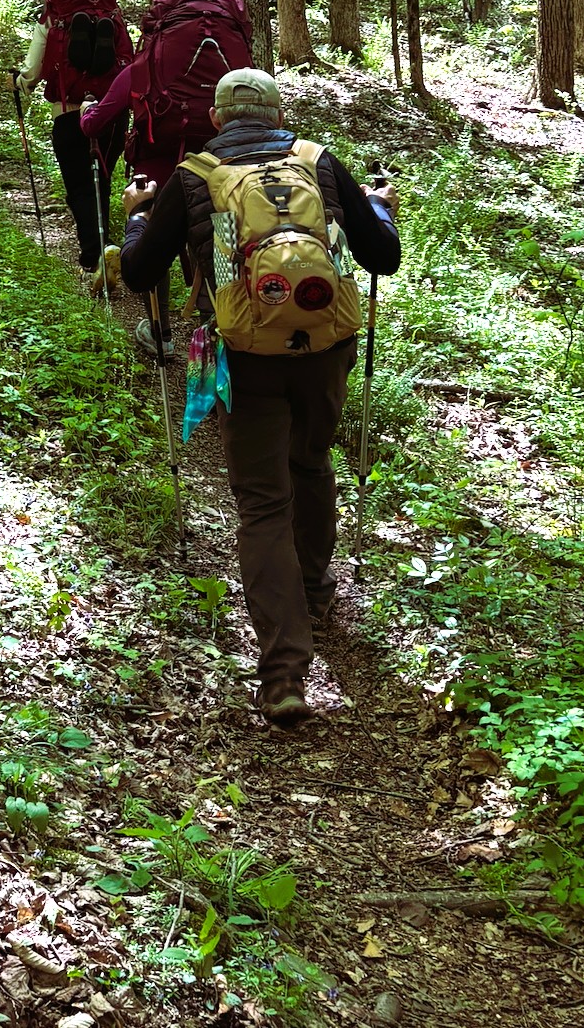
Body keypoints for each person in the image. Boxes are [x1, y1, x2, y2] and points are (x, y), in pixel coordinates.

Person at [120, 68, 400, 726]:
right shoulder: (318, 162)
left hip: (244, 357)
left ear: (217, 119)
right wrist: (379, 205)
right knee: (311, 460)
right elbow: (381, 257)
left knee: (263, 503)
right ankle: (314, 587)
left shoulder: (196, 176)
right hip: (325, 349)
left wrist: (137, 219)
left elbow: (139, 272)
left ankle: (281, 675)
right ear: (278, 114)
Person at [84, 0, 254, 353]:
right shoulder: (240, 79)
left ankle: (160, 333)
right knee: (218, 245)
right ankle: (220, 333)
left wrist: (85, 116)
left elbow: (97, 122)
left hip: (157, 174)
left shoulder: (145, 68)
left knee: (153, 241)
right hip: (220, 172)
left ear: (158, 28)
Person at [18, 0, 132, 282]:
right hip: (111, 112)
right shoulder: (115, 17)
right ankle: (104, 249)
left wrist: (21, 84)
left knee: (79, 186)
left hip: (68, 111)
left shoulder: (53, 20)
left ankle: (95, 253)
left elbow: (34, 68)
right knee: (102, 180)